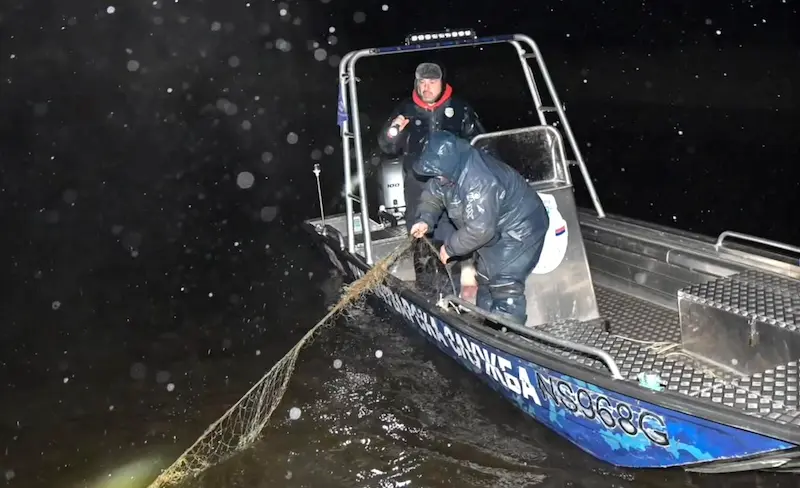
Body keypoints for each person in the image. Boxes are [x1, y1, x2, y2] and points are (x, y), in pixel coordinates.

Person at [409, 131, 550, 326]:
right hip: (496, 228)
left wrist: (449, 249)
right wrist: (424, 219)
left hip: (521, 228)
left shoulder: (480, 181)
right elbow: (433, 194)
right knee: (485, 276)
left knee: (504, 281)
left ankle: (509, 333)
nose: (435, 177)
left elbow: (480, 230)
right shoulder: (447, 172)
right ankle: (488, 325)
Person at [376, 62, 485, 299]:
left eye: (432, 82)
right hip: (418, 183)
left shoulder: (460, 109)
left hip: (455, 183)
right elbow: (386, 146)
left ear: (442, 82)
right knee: (421, 236)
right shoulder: (406, 110)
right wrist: (394, 131)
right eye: (422, 83)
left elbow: (481, 143)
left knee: (458, 232)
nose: (426, 88)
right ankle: (428, 293)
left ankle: (463, 290)